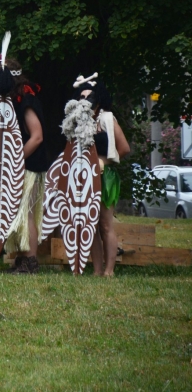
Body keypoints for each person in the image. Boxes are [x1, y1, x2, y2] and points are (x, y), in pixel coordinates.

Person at [74, 74, 130, 277]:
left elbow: (124, 148)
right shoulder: (79, 121)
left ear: (97, 99)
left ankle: (109, 270)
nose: (84, 101)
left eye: (89, 97)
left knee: (105, 224)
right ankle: (97, 270)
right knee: (91, 225)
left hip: (105, 177)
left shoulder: (107, 119)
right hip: (86, 176)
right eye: (81, 97)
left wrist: (104, 162)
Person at [0, 58, 49, 274]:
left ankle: (31, 261)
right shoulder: (12, 101)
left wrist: (16, 161)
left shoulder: (26, 100)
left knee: (25, 212)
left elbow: (36, 136)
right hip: (20, 166)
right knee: (15, 213)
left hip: (29, 166)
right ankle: (21, 260)